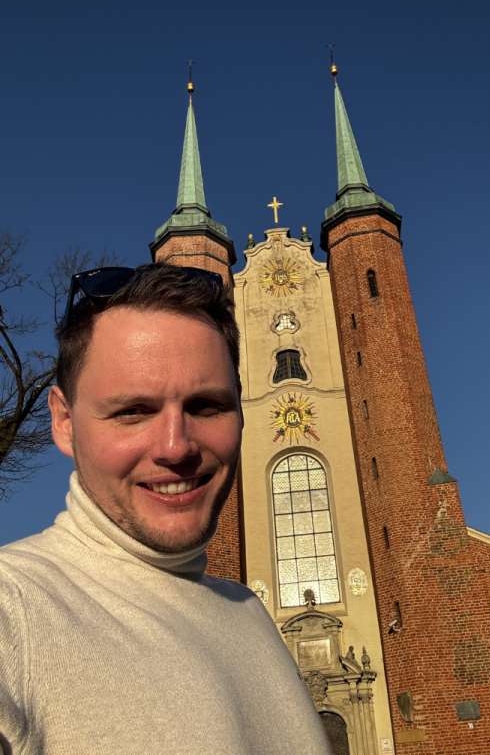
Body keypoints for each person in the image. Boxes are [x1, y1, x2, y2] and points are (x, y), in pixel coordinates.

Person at [0, 264, 329, 754]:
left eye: (206, 406)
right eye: (133, 411)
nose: (176, 448)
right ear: (65, 422)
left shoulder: (248, 613)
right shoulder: (16, 604)